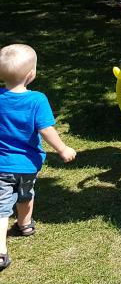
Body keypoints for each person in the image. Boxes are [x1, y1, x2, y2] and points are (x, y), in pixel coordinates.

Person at [0, 44, 76, 271]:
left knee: (2, 207)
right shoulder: (37, 100)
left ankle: (1, 250)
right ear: (31, 74)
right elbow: (46, 129)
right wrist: (62, 149)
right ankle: (24, 225)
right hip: (28, 164)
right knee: (26, 193)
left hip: (2, 165)